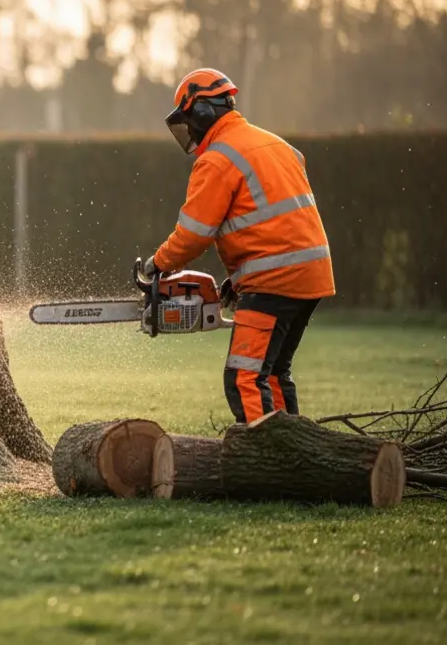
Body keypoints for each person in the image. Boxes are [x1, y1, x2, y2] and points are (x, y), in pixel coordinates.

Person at [143, 68, 334, 424]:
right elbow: (274, 222)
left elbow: (194, 235)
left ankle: (266, 466)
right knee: (273, 373)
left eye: (189, 119)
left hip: (275, 281)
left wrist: (157, 264)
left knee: (244, 378)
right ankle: (298, 460)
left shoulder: (218, 158)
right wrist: (239, 278)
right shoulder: (276, 145)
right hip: (310, 274)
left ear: (202, 112)